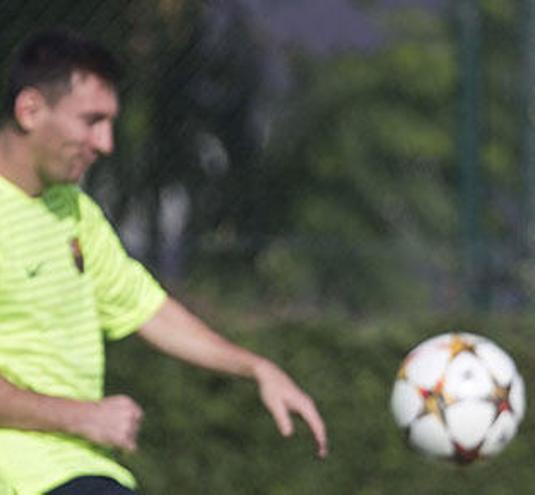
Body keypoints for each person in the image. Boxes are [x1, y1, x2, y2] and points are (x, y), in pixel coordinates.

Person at [0, 30, 328, 494]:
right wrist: (84, 416)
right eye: (92, 120)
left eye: (111, 123)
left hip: (79, 470)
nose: (106, 143)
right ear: (30, 110)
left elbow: (146, 308)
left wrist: (255, 367)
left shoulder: (74, 212)